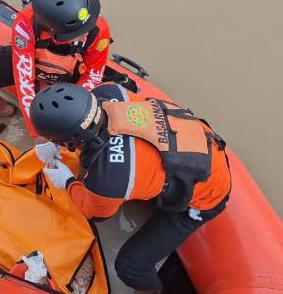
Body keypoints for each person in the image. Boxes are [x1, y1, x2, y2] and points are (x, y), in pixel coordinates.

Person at [29, 83, 231, 294]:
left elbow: (95, 212)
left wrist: (68, 181)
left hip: (206, 197)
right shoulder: (110, 92)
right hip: (203, 148)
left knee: (130, 267)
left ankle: (155, 290)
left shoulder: (107, 180)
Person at [0, 0, 111, 163]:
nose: (85, 33)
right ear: (53, 30)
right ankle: (2, 109)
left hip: (69, 74)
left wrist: (69, 109)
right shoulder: (25, 23)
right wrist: (38, 135)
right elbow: (24, 78)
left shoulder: (98, 29)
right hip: (34, 61)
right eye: (77, 33)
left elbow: (93, 75)